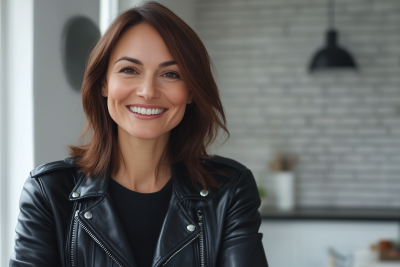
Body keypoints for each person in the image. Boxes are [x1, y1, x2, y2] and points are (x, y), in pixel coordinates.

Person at [9, 2, 269, 267]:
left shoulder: (230, 189)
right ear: (103, 83)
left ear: (191, 92)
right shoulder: (46, 192)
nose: (148, 91)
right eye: (129, 70)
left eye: (170, 74)